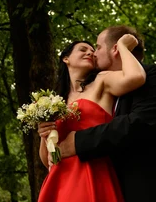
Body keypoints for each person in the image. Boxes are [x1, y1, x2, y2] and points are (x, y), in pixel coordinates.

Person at [57, 25, 156, 202]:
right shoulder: (107, 93)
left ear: (115, 49)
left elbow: (140, 124)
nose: (94, 54)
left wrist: (76, 142)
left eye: (97, 47)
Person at [37, 33, 145, 202]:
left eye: (93, 50)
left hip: (94, 171)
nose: (90, 52)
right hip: (60, 180)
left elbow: (136, 77)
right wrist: (44, 136)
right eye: (83, 49)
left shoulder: (102, 81)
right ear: (66, 59)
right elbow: (48, 160)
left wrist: (123, 46)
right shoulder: (55, 103)